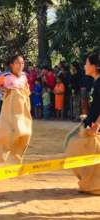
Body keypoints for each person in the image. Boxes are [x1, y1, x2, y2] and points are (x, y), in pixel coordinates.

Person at [64, 53, 100, 194]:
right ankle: (91, 183)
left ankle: (93, 184)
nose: (84, 66)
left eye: (86, 63)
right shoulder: (95, 82)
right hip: (89, 123)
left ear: (94, 66)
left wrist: (97, 125)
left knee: (74, 146)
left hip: (94, 126)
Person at [0, 55, 32, 163]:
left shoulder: (24, 76)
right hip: (10, 107)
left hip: (22, 108)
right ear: (12, 65)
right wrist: (1, 88)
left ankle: (16, 157)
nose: (20, 65)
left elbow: (27, 90)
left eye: (22, 63)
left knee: (25, 132)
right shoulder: (6, 76)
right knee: (8, 131)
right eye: (18, 63)